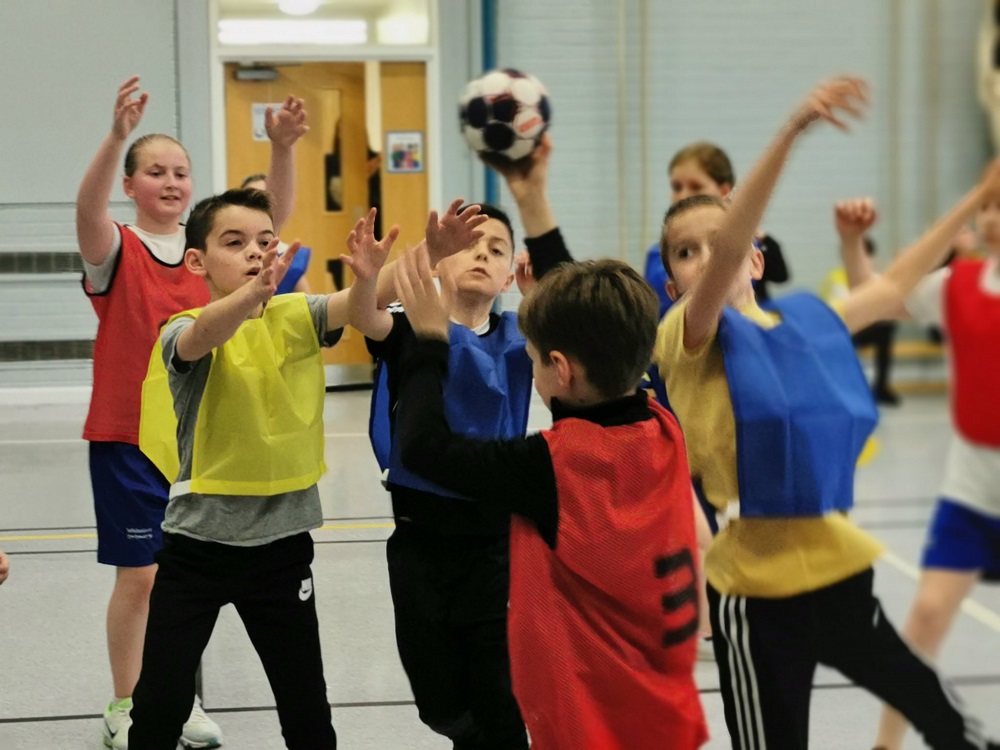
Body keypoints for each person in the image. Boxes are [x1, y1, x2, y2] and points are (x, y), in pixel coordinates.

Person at [655, 76, 1000, 750]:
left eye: (717, 246)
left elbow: (896, 284)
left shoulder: (804, 326)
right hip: (753, 596)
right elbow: (725, 252)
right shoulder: (684, 336)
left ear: (760, 260)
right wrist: (791, 131)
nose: (707, 260)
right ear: (672, 283)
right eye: (685, 254)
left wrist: (976, 200)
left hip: (834, 569)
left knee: (937, 712)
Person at [385, 244, 708, 750]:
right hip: (662, 703)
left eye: (534, 360)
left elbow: (424, 447)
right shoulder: (662, 427)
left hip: (590, 719)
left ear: (560, 370)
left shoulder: (554, 465)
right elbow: (603, 348)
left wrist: (427, 342)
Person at [77, 77, 304, 750]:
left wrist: (283, 145)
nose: (171, 181)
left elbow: (273, 217)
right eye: (155, 171)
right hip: (127, 436)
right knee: (142, 575)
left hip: (205, 443)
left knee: (183, 579)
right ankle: (128, 701)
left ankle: (176, 700)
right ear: (131, 183)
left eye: (181, 171)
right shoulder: (115, 248)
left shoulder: (214, 248)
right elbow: (85, 209)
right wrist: (117, 134)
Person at [347, 135, 572, 749]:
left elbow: (573, 311)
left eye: (496, 248)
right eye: (468, 245)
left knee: (497, 694)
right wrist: (372, 276)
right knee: (439, 699)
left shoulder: (519, 336)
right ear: (438, 263)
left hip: (495, 538)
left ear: (508, 275)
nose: (482, 254)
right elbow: (362, 315)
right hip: (418, 536)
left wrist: (541, 296)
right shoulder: (408, 328)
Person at [130, 188, 344, 749]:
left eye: (265, 242)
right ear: (196, 260)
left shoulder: (296, 315)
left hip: (282, 545)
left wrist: (402, 269)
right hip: (197, 548)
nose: (255, 252)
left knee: (305, 702)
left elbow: (354, 304)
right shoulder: (182, 328)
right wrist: (252, 293)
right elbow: (204, 337)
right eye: (236, 242)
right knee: (160, 702)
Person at [868, 182, 1000, 749]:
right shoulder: (957, 284)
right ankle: (886, 745)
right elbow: (884, 289)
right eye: (989, 205)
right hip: (970, 494)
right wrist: (965, 206)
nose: (993, 216)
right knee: (924, 616)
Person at [643, 142, 790, 316]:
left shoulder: (749, 243)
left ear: (724, 192)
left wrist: (760, 237)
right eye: (676, 187)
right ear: (673, 289)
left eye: (696, 186)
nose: (683, 195)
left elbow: (780, 274)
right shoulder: (658, 255)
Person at [829, 198, 901, 405]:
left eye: (869, 255)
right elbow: (844, 312)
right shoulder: (838, 278)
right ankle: (849, 386)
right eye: (864, 255)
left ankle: (881, 385)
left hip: (863, 327)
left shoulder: (876, 279)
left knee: (887, 328)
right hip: (842, 330)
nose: (868, 260)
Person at [241, 173, 312, 294]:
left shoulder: (290, 260)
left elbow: (309, 306)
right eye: (251, 200)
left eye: (263, 200)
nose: (258, 207)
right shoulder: (229, 255)